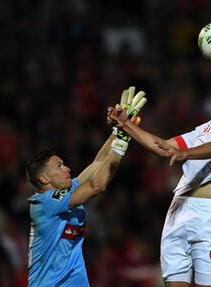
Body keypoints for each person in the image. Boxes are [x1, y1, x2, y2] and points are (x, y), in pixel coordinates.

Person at [107, 66, 211, 287]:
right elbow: (165, 148)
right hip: (178, 209)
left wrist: (187, 153)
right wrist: (125, 124)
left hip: (209, 213)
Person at [26, 88, 146, 286]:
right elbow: (97, 185)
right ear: (45, 179)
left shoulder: (65, 192)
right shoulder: (43, 204)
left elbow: (98, 164)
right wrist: (121, 143)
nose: (68, 168)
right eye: (59, 166)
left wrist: (120, 128)